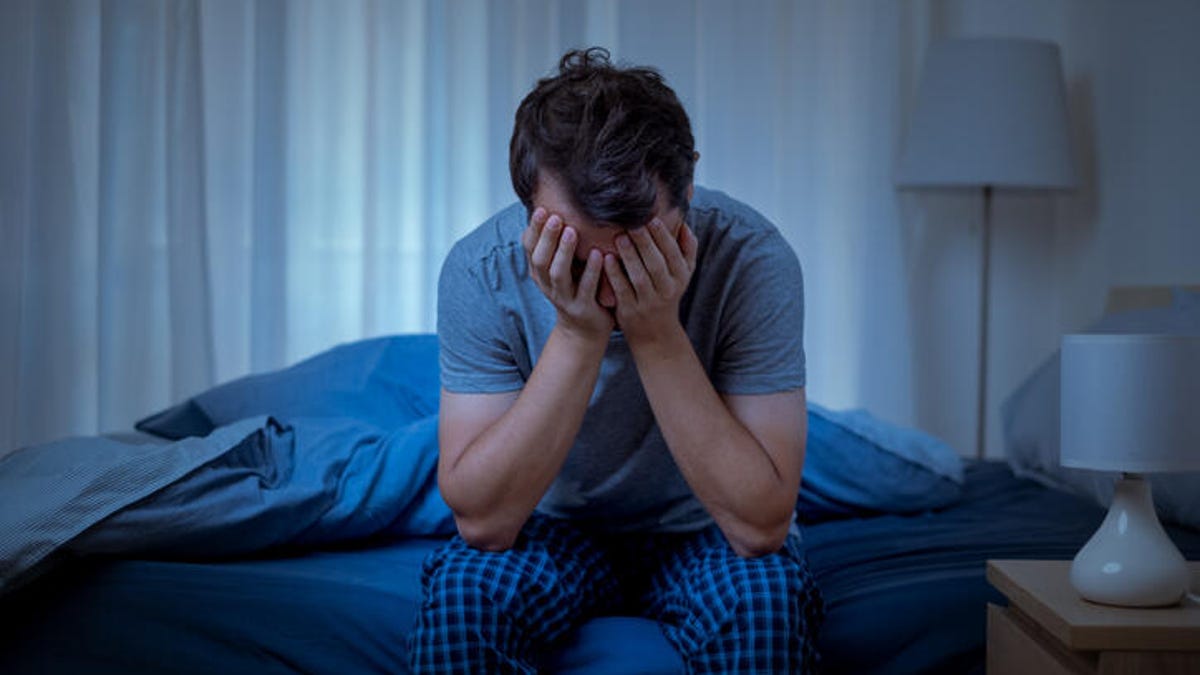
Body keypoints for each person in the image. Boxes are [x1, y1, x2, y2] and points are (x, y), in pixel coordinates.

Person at [408, 47, 822, 674]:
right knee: (465, 594)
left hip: (701, 525)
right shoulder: (480, 269)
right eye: (575, 253)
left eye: (636, 252)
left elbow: (759, 528)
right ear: (527, 208)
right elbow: (484, 524)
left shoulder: (753, 259)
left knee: (766, 600)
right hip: (550, 525)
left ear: (687, 189)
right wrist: (578, 333)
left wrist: (655, 332)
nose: (607, 283)